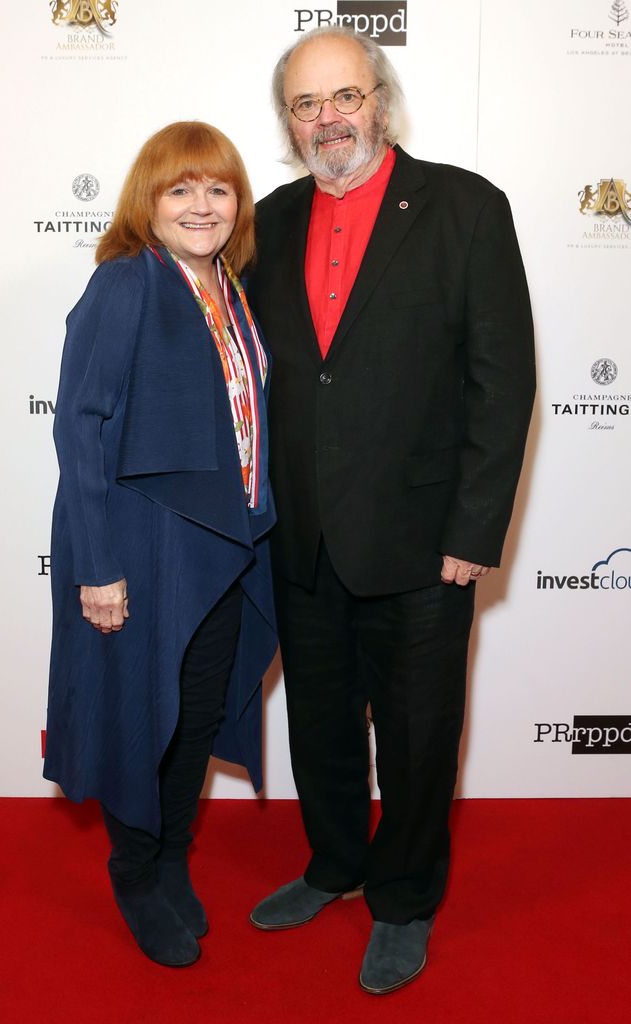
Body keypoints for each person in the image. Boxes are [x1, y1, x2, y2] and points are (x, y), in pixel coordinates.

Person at [248, 27, 536, 994]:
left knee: (415, 733)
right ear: (287, 123)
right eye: (304, 103)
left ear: (380, 99)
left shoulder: (463, 207)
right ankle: (335, 863)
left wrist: (472, 531)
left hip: (421, 541)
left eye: (344, 96)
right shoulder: (271, 221)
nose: (326, 118)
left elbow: (503, 384)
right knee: (320, 722)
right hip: (303, 535)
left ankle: (404, 896)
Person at [43, 122, 276, 969]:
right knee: (144, 717)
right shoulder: (126, 284)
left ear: (237, 204)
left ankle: (172, 858)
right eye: (179, 189)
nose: (200, 205)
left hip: (223, 547)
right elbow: (79, 427)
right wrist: (97, 566)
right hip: (141, 550)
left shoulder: (231, 292)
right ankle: (135, 872)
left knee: (195, 717)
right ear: (149, 201)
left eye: (216, 189)